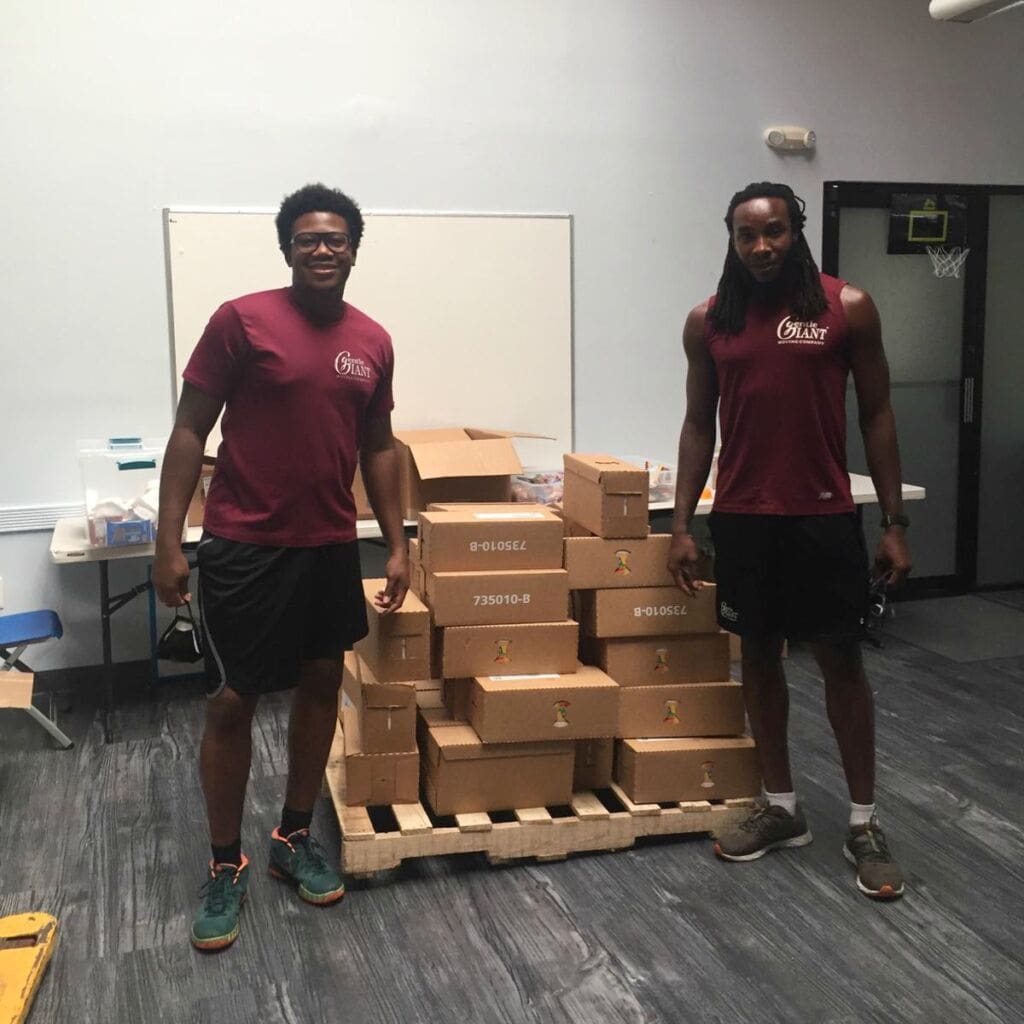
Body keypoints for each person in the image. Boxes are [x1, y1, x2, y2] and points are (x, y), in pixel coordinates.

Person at [154, 183, 409, 950]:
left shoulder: (372, 340)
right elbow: (190, 431)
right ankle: (223, 862)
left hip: (329, 544)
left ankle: (292, 837)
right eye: (307, 238)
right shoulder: (241, 321)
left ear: (354, 249)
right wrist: (169, 541)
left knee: (323, 683)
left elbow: (379, 447)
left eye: (335, 238)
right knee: (233, 702)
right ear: (287, 248)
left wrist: (398, 542)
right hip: (245, 546)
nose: (322, 248)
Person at [667, 182, 911, 900]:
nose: (762, 246)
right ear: (731, 240)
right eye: (747, 235)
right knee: (758, 658)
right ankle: (781, 808)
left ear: (796, 231)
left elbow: (878, 414)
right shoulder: (709, 320)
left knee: (841, 663)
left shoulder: (848, 307)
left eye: (774, 231)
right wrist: (681, 525)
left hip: (823, 517)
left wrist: (894, 522)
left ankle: (863, 823)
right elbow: (697, 424)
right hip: (743, 517)